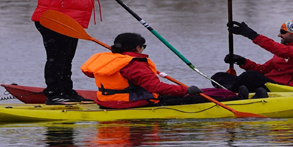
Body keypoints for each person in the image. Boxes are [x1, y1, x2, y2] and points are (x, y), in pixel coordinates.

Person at [31, 0, 116, 104]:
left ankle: (67, 92)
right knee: (57, 58)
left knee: (67, 58)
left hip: (71, 21)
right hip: (52, 18)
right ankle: (54, 94)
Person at [81, 33, 234, 109]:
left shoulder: (109, 60)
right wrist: (185, 89)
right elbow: (156, 88)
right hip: (133, 103)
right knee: (191, 97)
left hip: (107, 102)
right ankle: (238, 99)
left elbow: (89, 73)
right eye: (143, 47)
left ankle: (231, 94)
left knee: (196, 92)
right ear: (137, 48)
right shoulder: (134, 64)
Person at [214, 18, 293, 95]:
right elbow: (262, 70)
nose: (279, 34)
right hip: (275, 87)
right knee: (219, 77)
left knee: (249, 77)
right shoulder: (286, 50)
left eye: (283, 32)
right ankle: (240, 94)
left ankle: (225, 96)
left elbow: (283, 51)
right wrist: (242, 61)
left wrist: (251, 35)